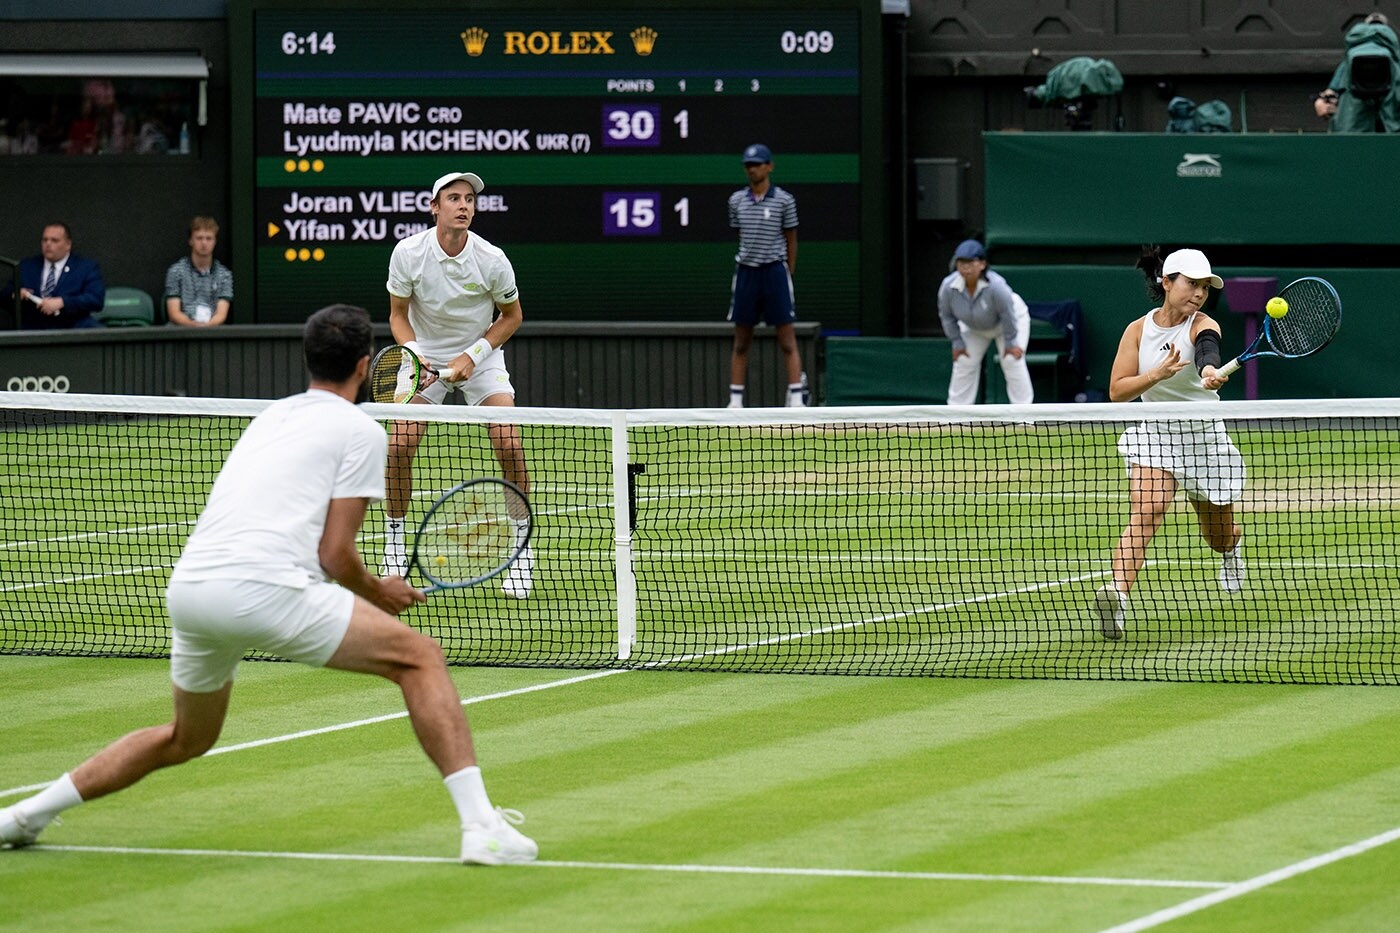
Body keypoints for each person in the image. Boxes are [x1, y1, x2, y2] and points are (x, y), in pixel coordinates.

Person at [0, 304, 537, 865]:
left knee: (187, 738)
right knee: (421, 658)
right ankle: (483, 829)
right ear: (364, 365)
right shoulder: (361, 431)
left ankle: (23, 816)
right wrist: (380, 592)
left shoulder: (270, 417)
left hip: (192, 589)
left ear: (308, 361)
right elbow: (335, 554)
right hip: (265, 587)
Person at [382, 171, 533, 599]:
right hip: (423, 354)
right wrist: (413, 352)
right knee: (398, 447)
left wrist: (475, 356)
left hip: (480, 356)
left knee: (509, 444)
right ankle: (394, 544)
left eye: (469, 199)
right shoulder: (408, 253)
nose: (464, 205)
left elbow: (512, 317)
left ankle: (521, 552)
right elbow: (397, 313)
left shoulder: (491, 259)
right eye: (454, 198)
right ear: (435, 207)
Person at [1092, 248, 1244, 640]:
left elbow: (1207, 348)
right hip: (1156, 433)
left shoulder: (1203, 324)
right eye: (1191, 284)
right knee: (1150, 507)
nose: (1198, 294)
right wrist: (1156, 375)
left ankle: (1231, 549)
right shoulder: (1137, 331)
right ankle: (1117, 599)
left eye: (1205, 288)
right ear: (1167, 282)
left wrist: (1209, 369)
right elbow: (1117, 391)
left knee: (1218, 536)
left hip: (1204, 439)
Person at [726, 143, 805, 409]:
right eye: (748, 165)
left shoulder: (784, 200)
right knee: (741, 340)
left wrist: (786, 272)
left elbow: (791, 239)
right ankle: (735, 401)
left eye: (757, 164)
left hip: (775, 272)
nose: (752, 170)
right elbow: (739, 235)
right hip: (747, 273)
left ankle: (796, 398)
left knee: (787, 339)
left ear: (769, 166)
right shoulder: (736, 201)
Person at [936, 239, 1034, 405]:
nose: (965, 268)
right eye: (961, 262)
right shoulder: (947, 287)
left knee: (1012, 361)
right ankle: (955, 417)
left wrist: (1011, 343)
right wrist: (957, 343)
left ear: (982, 264)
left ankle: (1024, 415)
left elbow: (1008, 314)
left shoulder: (997, 287)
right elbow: (947, 316)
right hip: (974, 328)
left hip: (1008, 324)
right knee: (963, 361)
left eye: (970, 262)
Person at [1313, 13, 1400, 133]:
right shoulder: (1395, 59)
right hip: (1390, 130)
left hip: (1354, 125)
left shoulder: (1349, 60)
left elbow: (1329, 95)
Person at [10, 222, 106, 329]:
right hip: (33, 328)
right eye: (45, 240)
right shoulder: (27, 266)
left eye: (54, 240)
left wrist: (63, 302)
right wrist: (16, 294)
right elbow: (5, 294)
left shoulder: (85, 268)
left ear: (68, 244)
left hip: (73, 327)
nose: (48, 244)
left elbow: (95, 299)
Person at [164, 216, 233, 327]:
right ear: (191, 241)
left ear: (215, 241)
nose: (204, 243)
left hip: (212, 329)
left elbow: (221, 314)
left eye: (209, 238)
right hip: (181, 330)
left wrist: (206, 327)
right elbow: (174, 313)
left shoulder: (224, 275)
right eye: (199, 238)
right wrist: (193, 326)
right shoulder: (176, 271)